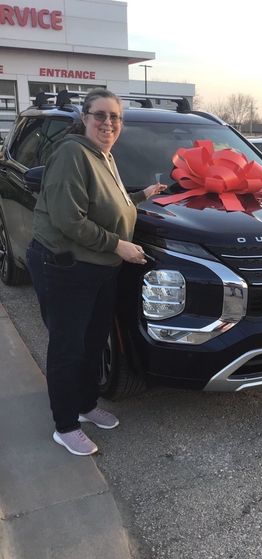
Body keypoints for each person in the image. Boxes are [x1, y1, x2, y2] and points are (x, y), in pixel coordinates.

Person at [27, 88, 167, 455]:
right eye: (100, 115)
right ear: (85, 118)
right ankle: (65, 424)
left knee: (93, 343)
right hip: (66, 268)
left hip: (99, 269)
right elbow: (67, 219)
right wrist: (118, 245)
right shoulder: (73, 153)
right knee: (67, 348)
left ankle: (86, 406)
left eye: (115, 117)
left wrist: (143, 196)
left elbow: (110, 203)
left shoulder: (105, 156)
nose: (108, 123)